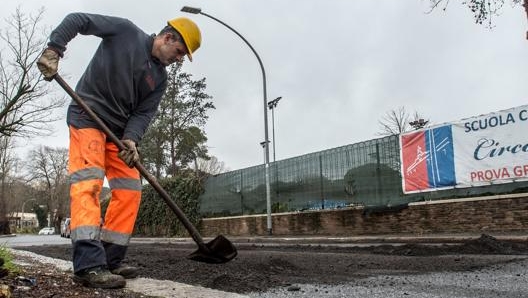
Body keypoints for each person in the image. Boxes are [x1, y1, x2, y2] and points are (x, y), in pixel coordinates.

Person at [36, 13, 201, 289]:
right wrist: (54, 50)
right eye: (179, 52)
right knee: (88, 183)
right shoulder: (125, 32)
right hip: (87, 116)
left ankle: (111, 258)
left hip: (118, 133)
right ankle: (88, 265)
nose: (178, 59)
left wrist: (132, 140)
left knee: (130, 190)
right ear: (168, 37)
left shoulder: (159, 78)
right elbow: (77, 20)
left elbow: (143, 113)